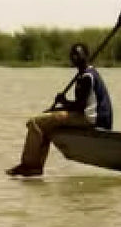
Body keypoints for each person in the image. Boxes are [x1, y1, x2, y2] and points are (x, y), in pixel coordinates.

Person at [6, 43, 114, 177]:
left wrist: (63, 102)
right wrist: (58, 109)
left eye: (78, 54)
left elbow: (79, 107)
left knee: (34, 122)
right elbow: (78, 105)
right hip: (88, 116)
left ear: (86, 56)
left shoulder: (87, 76)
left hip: (91, 119)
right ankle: (35, 167)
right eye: (72, 55)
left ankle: (29, 165)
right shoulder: (84, 74)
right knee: (44, 124)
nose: (74, 57)